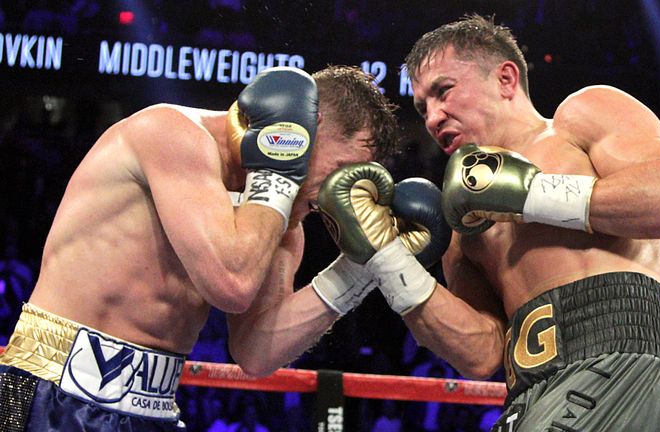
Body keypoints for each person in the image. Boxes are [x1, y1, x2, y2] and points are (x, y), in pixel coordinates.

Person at [321, 13, 660, 432]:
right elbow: (483, 354)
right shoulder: (463, 226)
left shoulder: (580, 119)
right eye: (423, 106)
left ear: (506, 79)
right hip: (530, 393)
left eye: (444, 91)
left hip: (619, 369)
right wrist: (389, 260)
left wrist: (529, 195)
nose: (433, 117)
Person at [0, 65, 402, 431]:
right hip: (45, 386)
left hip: (153, 409)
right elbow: (230, 282)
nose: (337, 195)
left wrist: (357, 269)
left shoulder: (280, 224)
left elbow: (257, 353)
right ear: (307, 125)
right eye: (340, 171)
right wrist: (277, 175)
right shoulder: (171, 135)